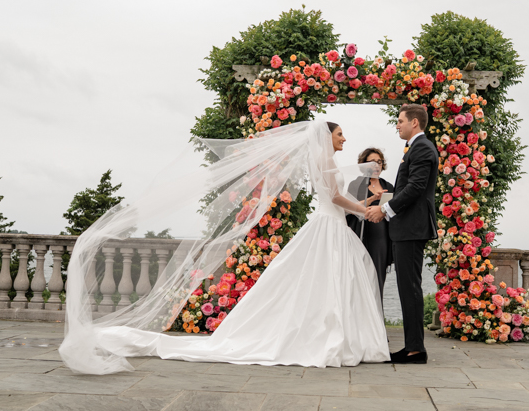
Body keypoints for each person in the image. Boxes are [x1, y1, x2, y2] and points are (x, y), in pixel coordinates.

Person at [60, 120, 389, 374]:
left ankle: (329, 334)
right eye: (340, 134)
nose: (344, 139)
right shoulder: (327, 161)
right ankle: (332, 338)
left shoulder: (323, 161)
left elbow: (333, 197)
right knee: (329, 282)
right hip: (328, 227)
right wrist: (365, 209)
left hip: (328, 225)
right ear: (325, 136)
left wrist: (368, 203)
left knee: (323, 283)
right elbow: (333, 197)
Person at [365, 104, 438, 365]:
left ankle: (416, 350)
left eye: (400, 120)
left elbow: (416, 187)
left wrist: (385, 209)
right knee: (408, 289)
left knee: (410, 289)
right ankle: (412, 347)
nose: (397, 124)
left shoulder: (422, 148)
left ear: (414, 123)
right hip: (407, 228)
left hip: (411, 229)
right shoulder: (415, 148)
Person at [346, 148, 394, 304]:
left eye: (379, 162)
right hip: (360, 237)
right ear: (364, 165)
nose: (376, 166)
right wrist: (373, 198)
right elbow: (348, 209)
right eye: (372, 162)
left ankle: (377, 321)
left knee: (378, 279)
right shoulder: (356, 185)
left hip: (381, 239)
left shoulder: (389, 186)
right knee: (360, 280)